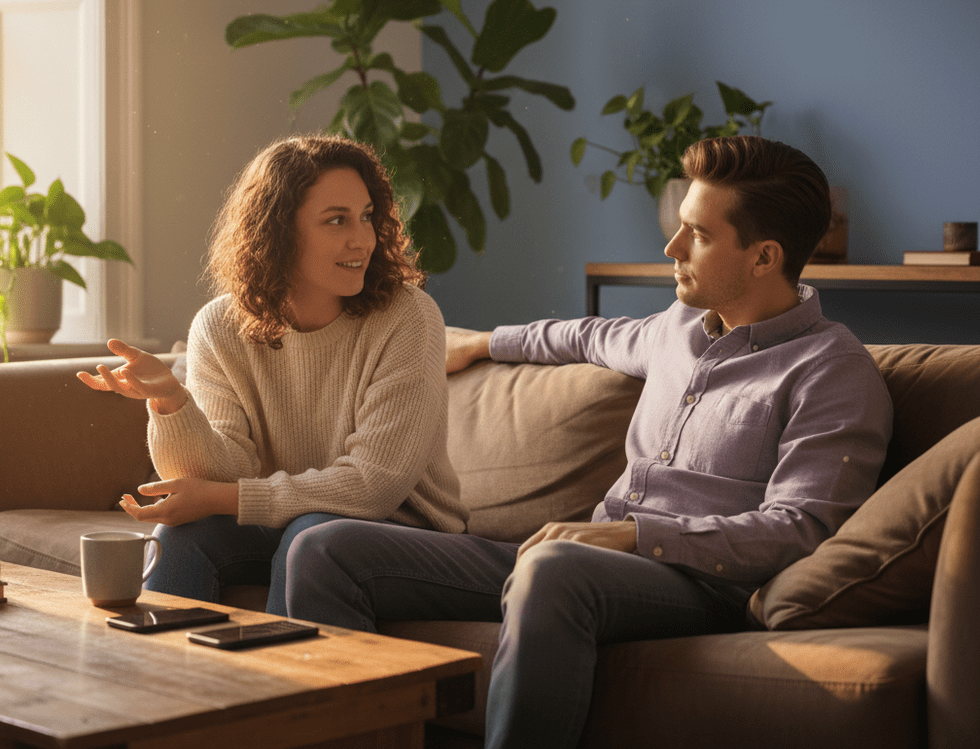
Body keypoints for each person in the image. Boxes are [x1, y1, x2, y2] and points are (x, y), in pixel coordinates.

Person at [282, 135, 893, 749]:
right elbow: (585, 336)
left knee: (553, 568)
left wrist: (635, 535)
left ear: (763, 258)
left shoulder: (831, 371)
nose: (672, 248)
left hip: (700, 584)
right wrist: (484, 343)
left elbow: (800, 529)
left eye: (699, 236)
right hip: (584, 557)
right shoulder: (677, 328)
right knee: (323, 548)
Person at [77, 135, 468, 616]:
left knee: (313, 536)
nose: (362, 239)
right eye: (337, 220)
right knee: (183, 535)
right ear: (279, 232)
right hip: (298, 526)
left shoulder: (408, 317)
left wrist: (226, 498)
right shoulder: (219, 326)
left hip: (407, 535)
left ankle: (292, 670)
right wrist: (171, 403)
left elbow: (374, 484)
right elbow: (217, 472)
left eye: (366, 216)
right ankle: (160, 667)